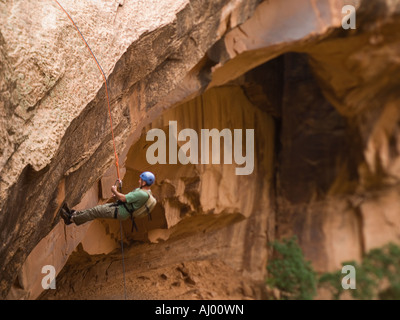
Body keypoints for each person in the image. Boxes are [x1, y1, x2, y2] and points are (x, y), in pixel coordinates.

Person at [60, 171, 156, 226]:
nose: (139, 180)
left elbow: (124, 198)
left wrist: (114, 191)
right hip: (121, 209)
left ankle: (71, 219)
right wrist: (117, 197)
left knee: (96, 211)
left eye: (141, 179)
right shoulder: (144, 192)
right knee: (95, 210)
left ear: (144, 183)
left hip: (121, 211)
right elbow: (129, 200)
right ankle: (74, 214)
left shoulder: (142, 194)